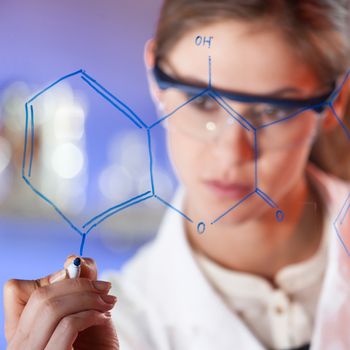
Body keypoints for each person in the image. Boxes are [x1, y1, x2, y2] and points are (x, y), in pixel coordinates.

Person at [4, 0, 350, 349]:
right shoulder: (111, 331)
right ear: (154, 74)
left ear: (337, 98)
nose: (231, 154)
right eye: (202, 102)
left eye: (273, 110)